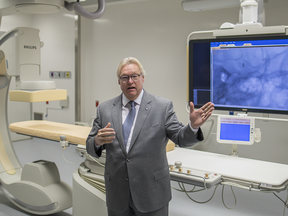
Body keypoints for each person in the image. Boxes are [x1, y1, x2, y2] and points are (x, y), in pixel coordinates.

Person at [86, 57, 214, 216]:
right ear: (119, 81)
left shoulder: (162, 107)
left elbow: (180, 138)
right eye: (124, 77)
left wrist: (193, 127)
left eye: (135, 76)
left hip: (151, 193)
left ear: (143, 78)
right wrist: (97, 141)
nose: (130, 81)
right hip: (117, 195)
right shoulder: (105, 109)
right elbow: (90, 147)